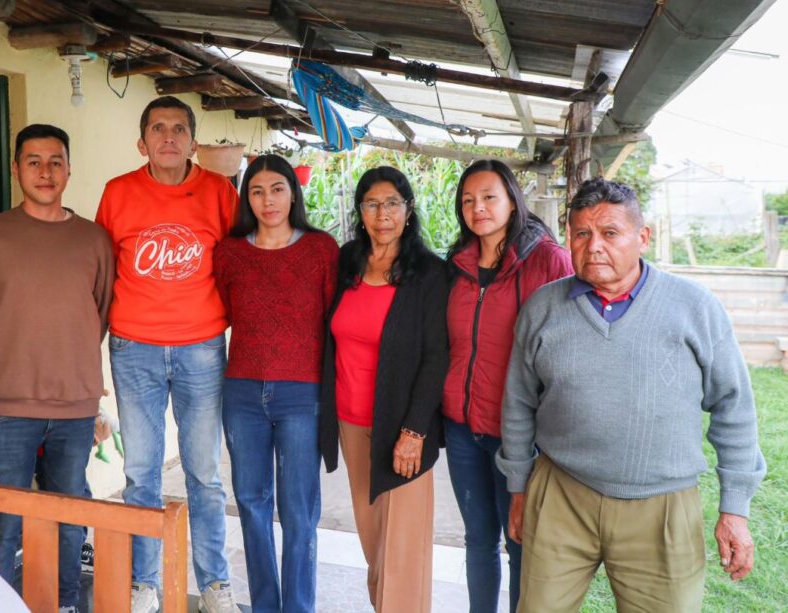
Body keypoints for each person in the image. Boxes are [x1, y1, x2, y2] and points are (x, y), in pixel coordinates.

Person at [497, 177, 766, 612]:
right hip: (561, 493)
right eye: (581, 234)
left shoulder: (694, 307)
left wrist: (734, 509)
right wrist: (518, 487)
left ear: (643, 237)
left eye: (610, 233)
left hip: (662, 506)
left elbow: (733, 406)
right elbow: (518, 402)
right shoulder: (543, 308)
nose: (594, 247)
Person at [0, 124, 114, 613]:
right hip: (8, 405)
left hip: (75, 405)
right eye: (34, 162)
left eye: (55, 162)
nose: (45, 172)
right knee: (4, 518)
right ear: (15, 169)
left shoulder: (94, 238)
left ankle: (65, 603)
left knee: (69, 515)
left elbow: (99, 314)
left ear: (69, 169)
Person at [95, 96, 239, 613]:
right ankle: (145, 583)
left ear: (194, 142)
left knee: (204, 473)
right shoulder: (118, 192)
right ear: (143, 143)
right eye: (158, 128)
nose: (169, 136)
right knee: (141, 472)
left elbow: (239, 263)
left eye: (179, 128)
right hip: (134, 348)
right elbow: (101, 269)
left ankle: (216, 585)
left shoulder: (219, 192)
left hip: (202, 346)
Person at [442, 160, 572, 613]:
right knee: (477, 539)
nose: (477, 208)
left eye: (488, 197)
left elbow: (570, 345)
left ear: (513, 201)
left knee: (520, 541)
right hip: (462, 428)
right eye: (468, 200)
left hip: (518, 435)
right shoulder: (456, 265)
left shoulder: (547, 260)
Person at [319, 166, 448, 613]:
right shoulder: (347, 262)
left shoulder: (429, 273)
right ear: (360, 211)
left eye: (392, 203)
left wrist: (414, 431)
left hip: (402, 426)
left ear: (408, 209)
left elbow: (437, 356)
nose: (383, 214)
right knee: (374, 543)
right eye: (372, 204)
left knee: (403, 552)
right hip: (351, 422)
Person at [213, 155, 339, 613]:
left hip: (302, 393)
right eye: (257, 191)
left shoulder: (321, 249)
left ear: (293, 193)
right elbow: (228, 312)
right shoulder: (230, 253)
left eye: (278, 189)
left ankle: (298, 607)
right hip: (242, 392)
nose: (268, 200)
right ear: (246, 198)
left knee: (299, 510)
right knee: (251, 503)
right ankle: (265, 605)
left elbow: (332, 319)